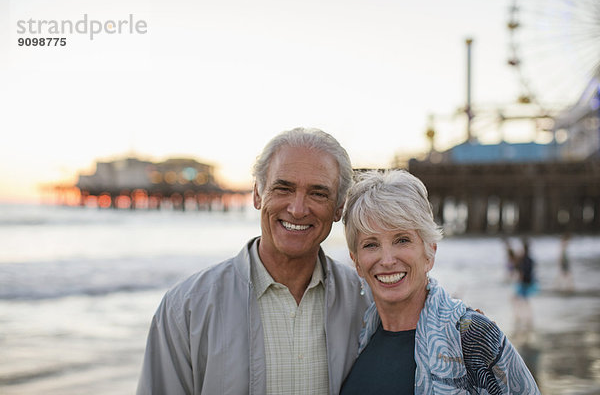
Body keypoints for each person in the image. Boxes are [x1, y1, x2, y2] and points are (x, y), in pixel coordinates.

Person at [136, 127, 371, 394]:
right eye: (283, 189)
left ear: (339, 208)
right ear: (257, 195)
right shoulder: (186, 309)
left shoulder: (365, 303)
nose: (297, 209)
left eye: (318, 193)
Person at [340, 170, 540, 394]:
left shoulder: (472, 337)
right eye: (371, 244)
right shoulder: (354, 340)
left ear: (429, 252)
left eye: (402, 240)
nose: (387, 260)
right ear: (356, 261)